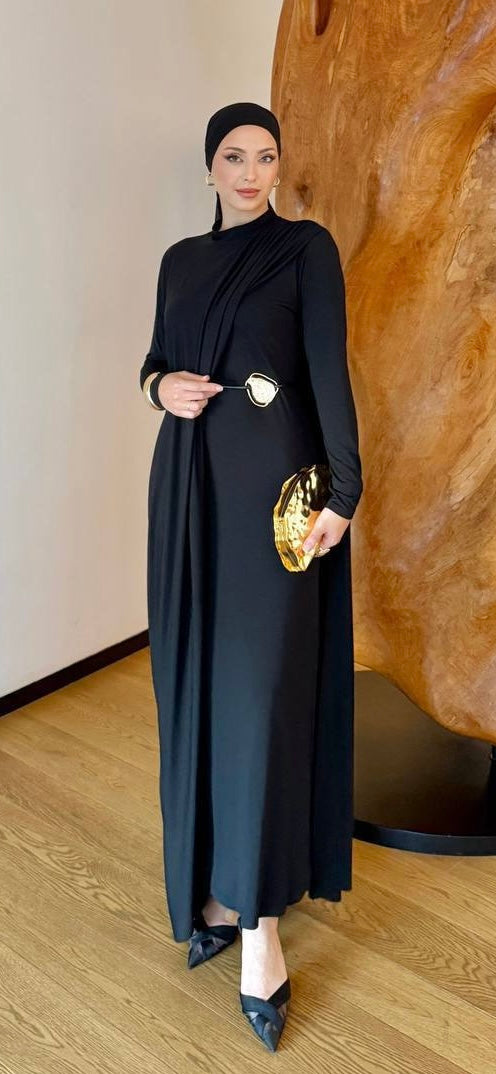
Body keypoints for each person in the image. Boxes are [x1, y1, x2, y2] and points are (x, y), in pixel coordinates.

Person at [139, 101, 363, 1052]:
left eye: (265, 156)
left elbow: (328, 371)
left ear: (278, 167)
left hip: (277, 498)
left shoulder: (305, 249)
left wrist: (346, 491)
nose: (249, 172)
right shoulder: (180, 261)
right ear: (210, 167)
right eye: (233, 156)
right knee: (197, 685)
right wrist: (160, 387)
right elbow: (155, 361)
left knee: (264, 696)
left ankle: (261, 927)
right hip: (189, 492)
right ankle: (221, 892)